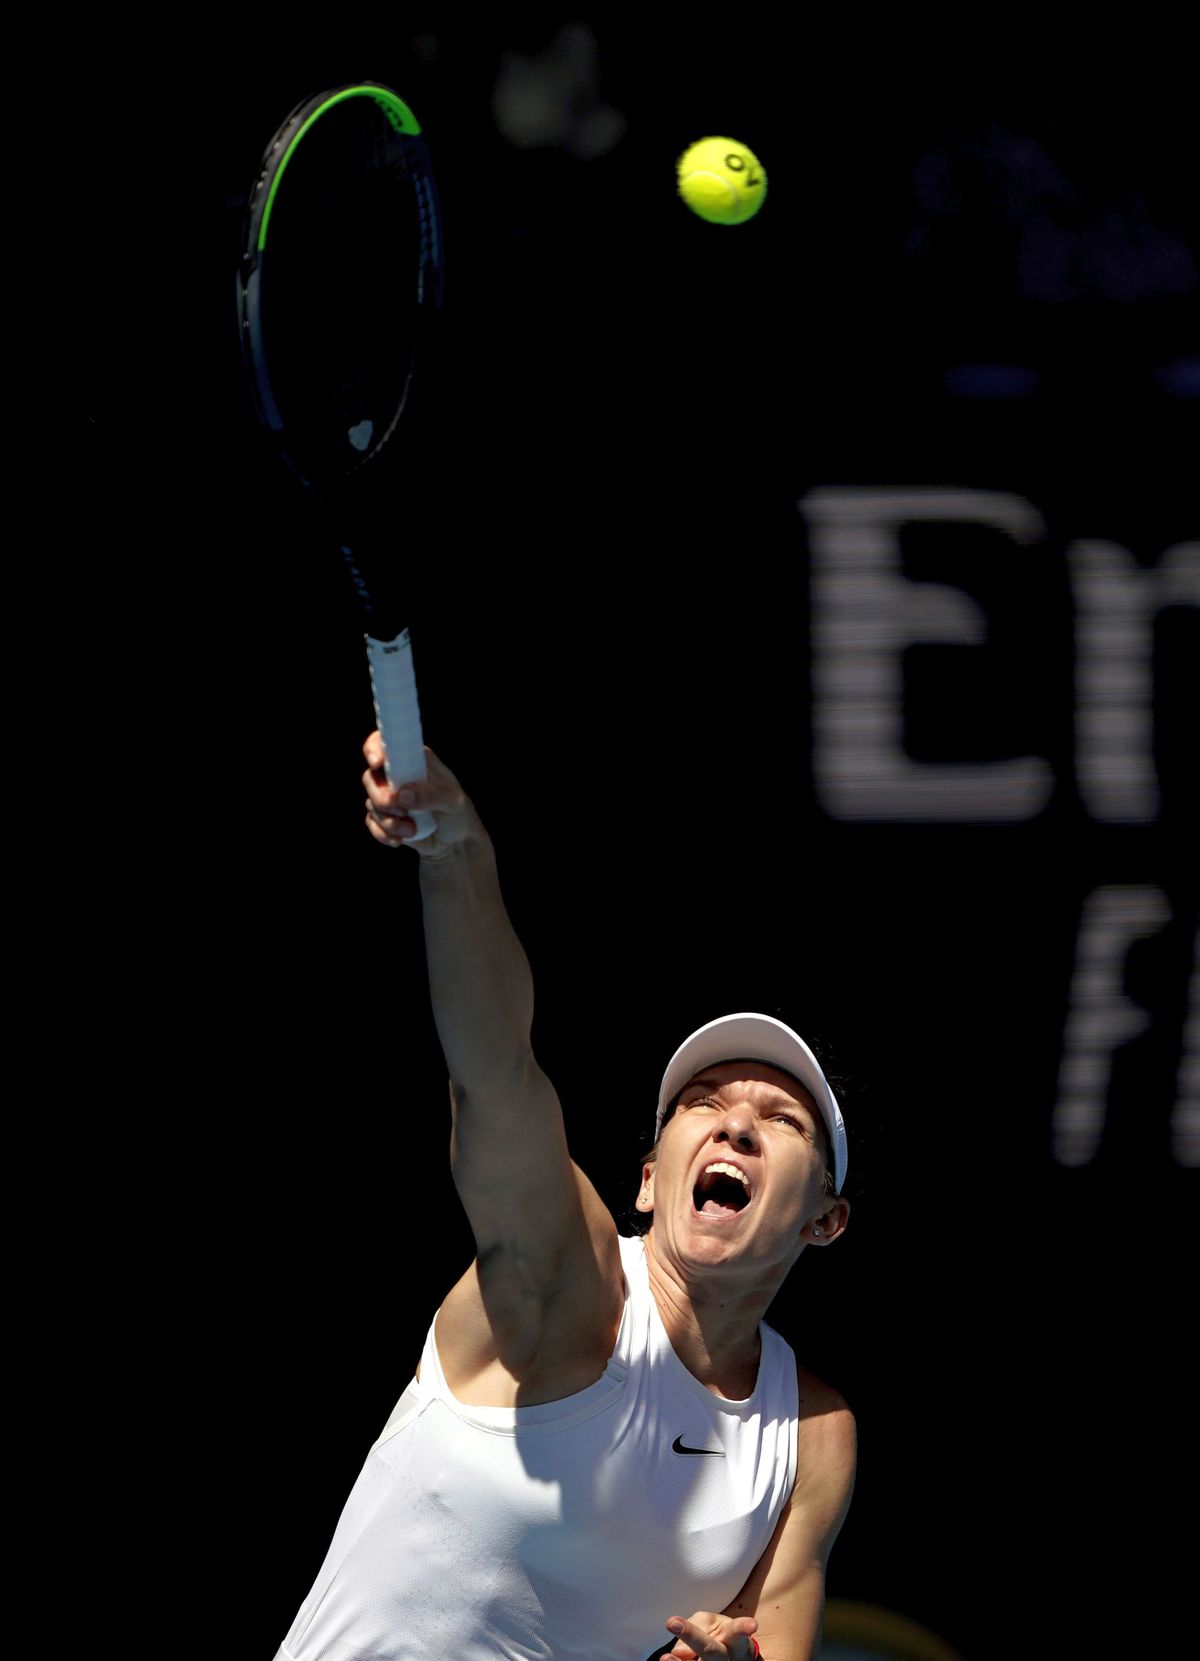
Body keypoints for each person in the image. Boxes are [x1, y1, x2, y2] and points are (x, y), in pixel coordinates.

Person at [273, 738, 856, 1661]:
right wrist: (457, 851)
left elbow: (766, 1650)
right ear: (650, 1178)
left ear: (825, 1216)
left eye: (780, 1119)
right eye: (703, 1104)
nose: (735, 1127)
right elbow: (496, 1070)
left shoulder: (813, 1437)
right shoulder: (568, 1281)